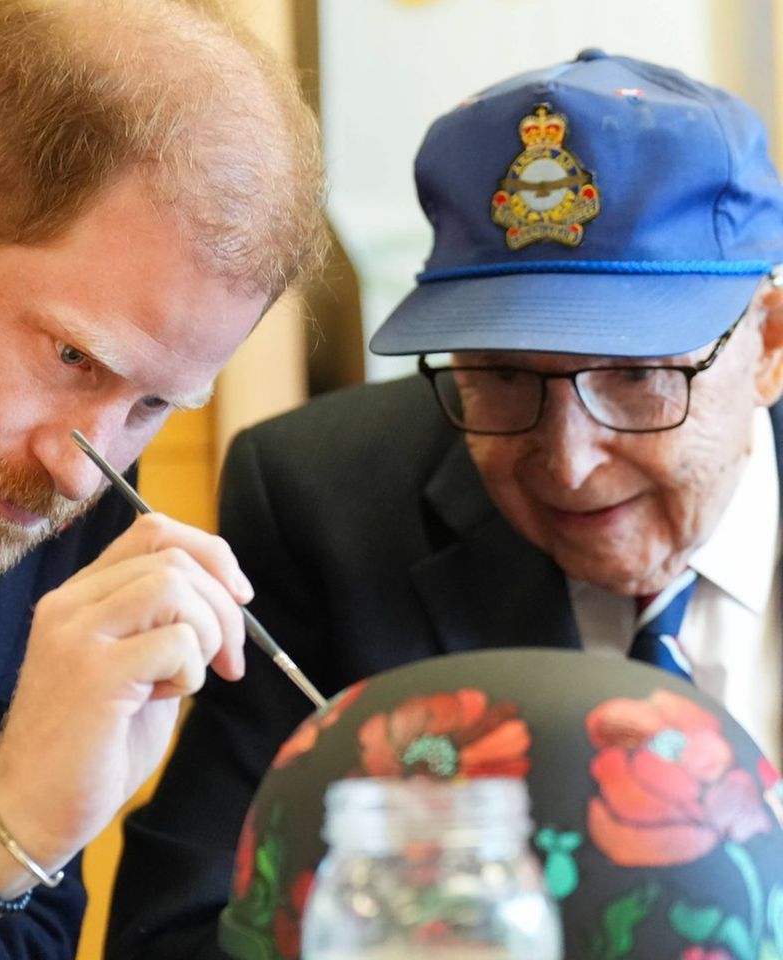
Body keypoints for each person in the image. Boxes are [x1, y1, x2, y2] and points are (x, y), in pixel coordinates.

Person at [107, 50, 783, 959]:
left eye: (635, 377)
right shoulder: (325, 507)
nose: (570, 464)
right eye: (500, 377)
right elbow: (176, 934)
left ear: (770, 344)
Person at [0, 0, 325, 956]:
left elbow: (29, 939)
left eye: (154, 407)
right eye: (71, 357)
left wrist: (32, 834)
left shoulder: (65, 514)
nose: (81, 472)